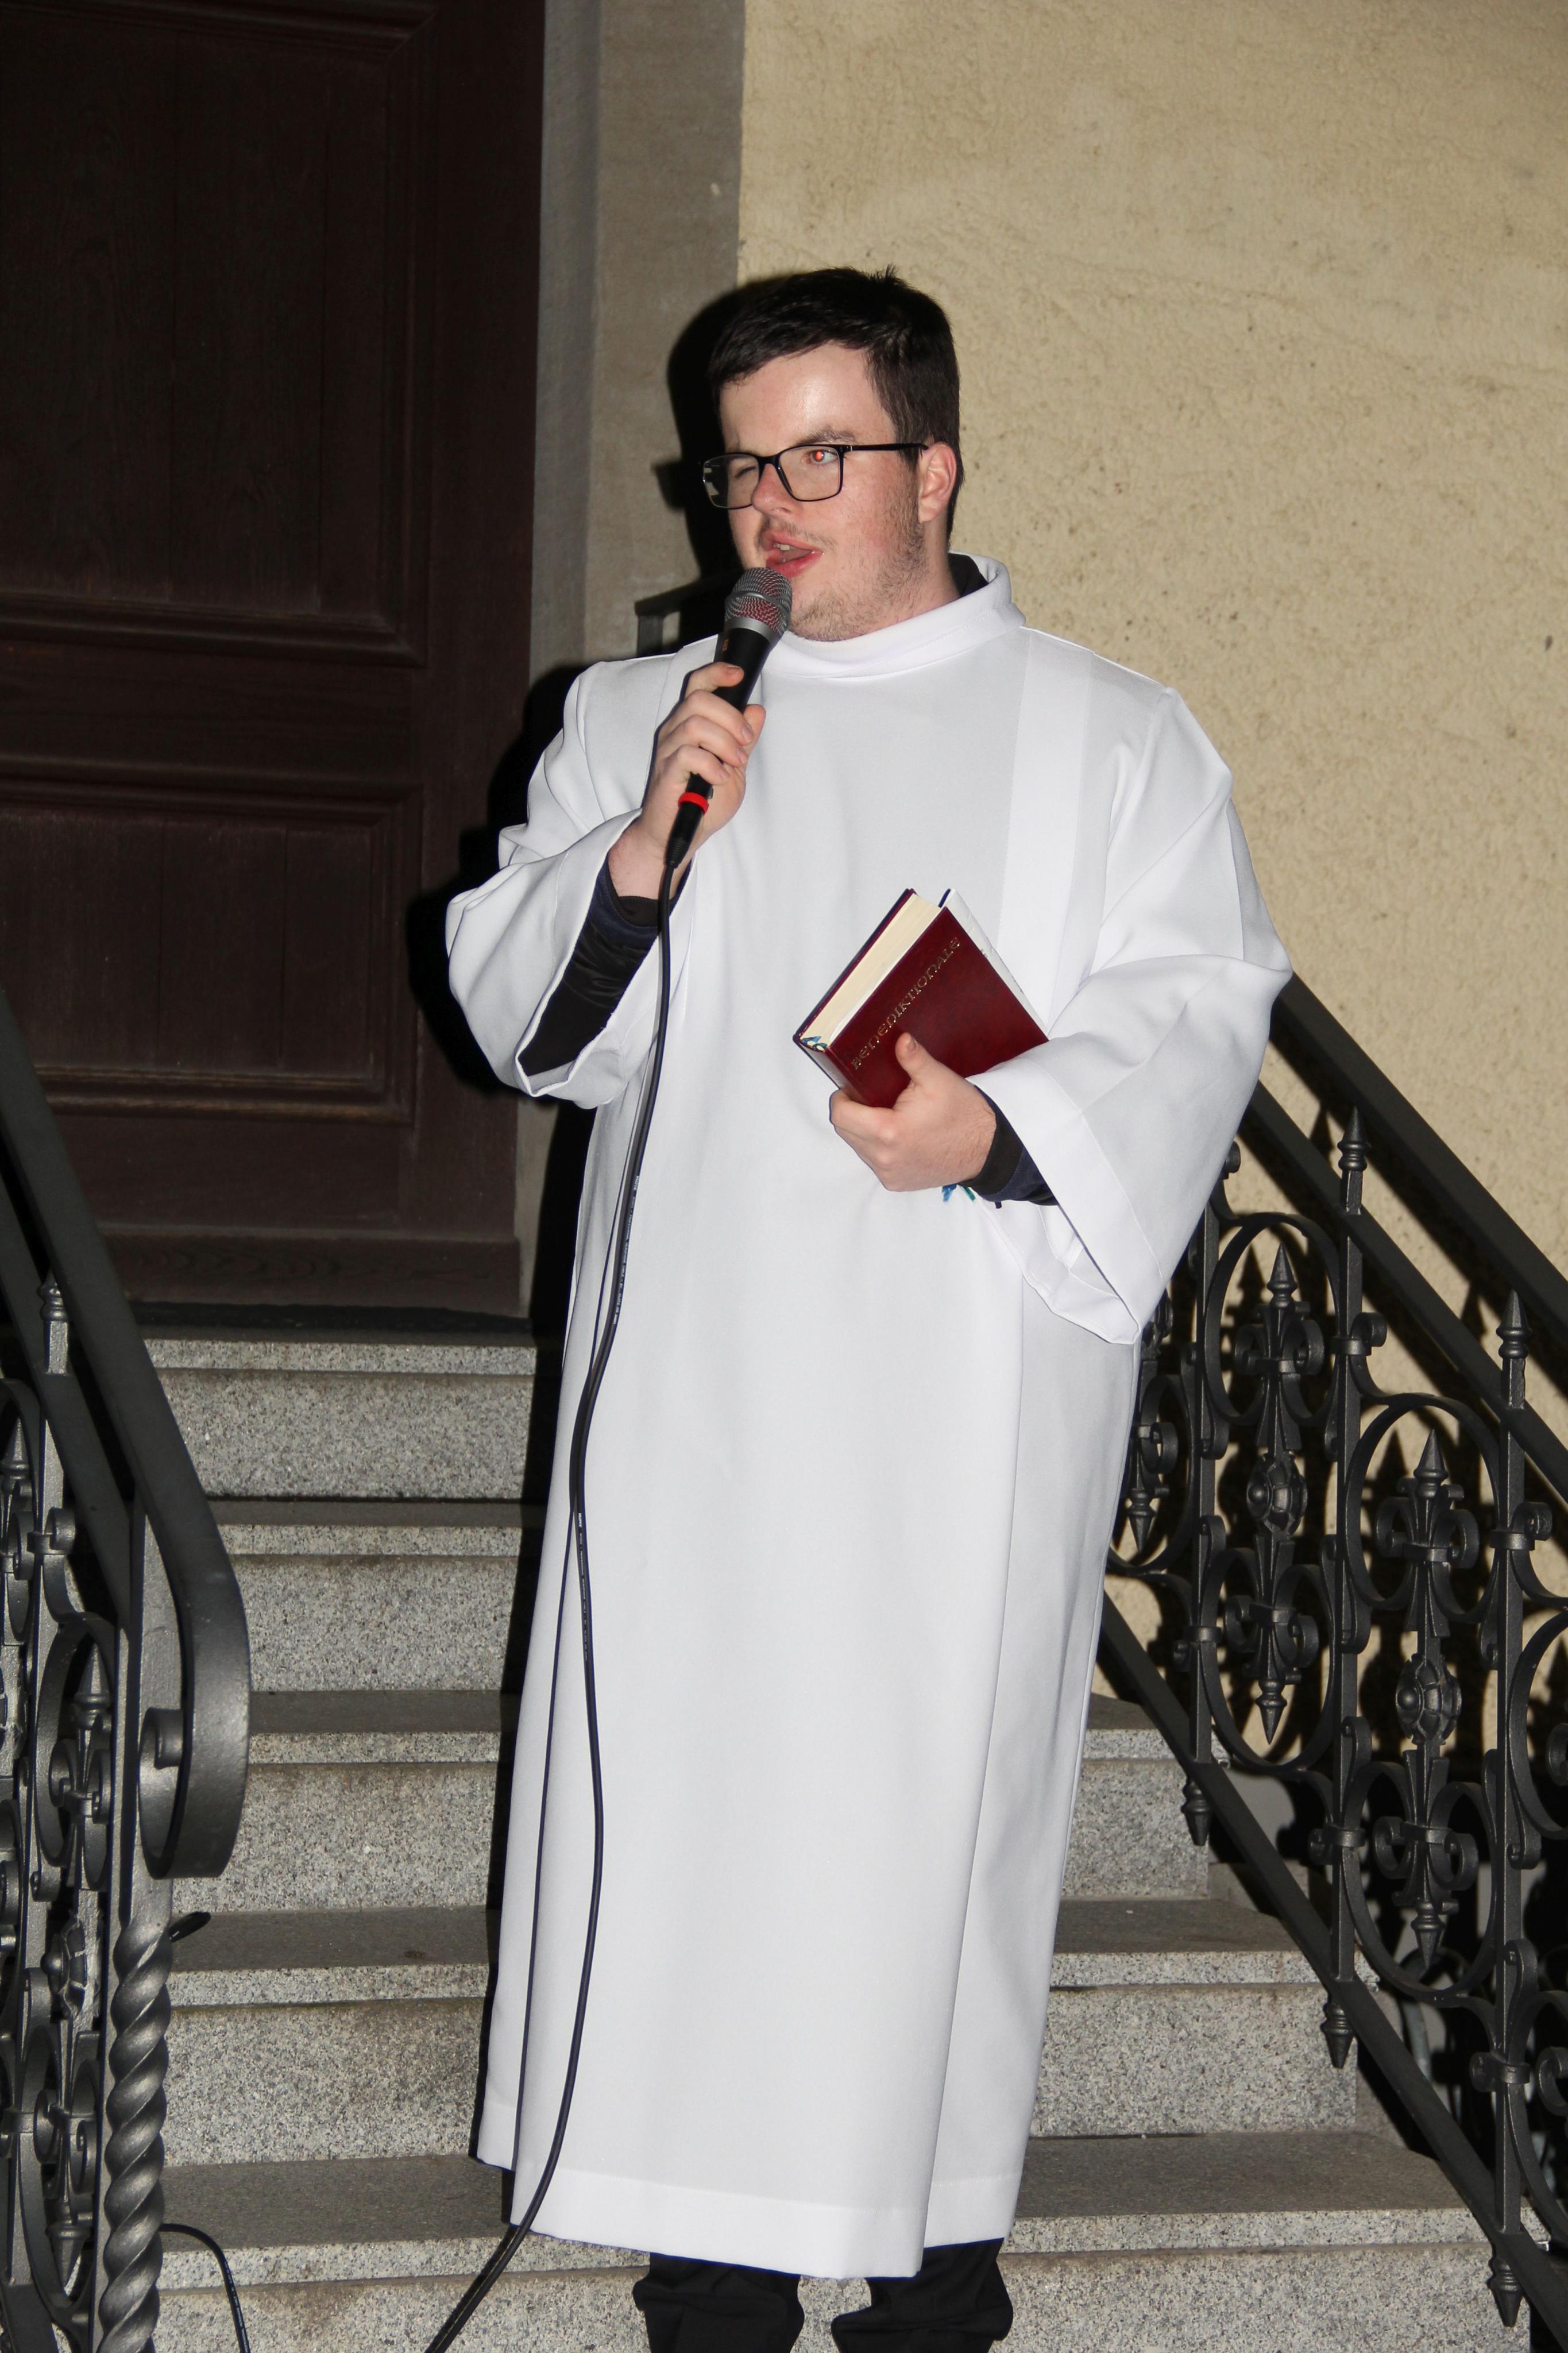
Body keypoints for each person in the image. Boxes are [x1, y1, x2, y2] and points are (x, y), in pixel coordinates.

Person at [446, 267, 1290, 2352]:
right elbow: (531, 1029)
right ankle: (707, 2287)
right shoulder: (636, 721)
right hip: (696, 1393)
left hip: (952, 1402)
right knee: (700, 1829)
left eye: (819, 457)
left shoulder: (1109, 735)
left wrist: (997, 1133)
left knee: (912, 1845)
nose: (767, 507)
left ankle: (928, 2289)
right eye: (738, 468)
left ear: (935, 468)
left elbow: (1194, 1008)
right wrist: (640, 852)